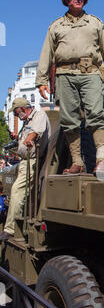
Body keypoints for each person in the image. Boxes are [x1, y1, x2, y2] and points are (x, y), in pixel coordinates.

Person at [36, 0, 104, 175]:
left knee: (96, 114)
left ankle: (102, 160)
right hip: (64, 75)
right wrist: (41, 80)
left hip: (91, 73)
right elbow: (46, 54)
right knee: (68, 120)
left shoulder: (95, 23)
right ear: (66, 0)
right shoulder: (55, 26)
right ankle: (77, 161)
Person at [0, 98, 51, 240]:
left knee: (17, 191)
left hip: (32, 161)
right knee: (18, 193)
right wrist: (18, 138)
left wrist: (29, 138)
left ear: (22, 109)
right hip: (25, 161)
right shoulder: (27, 122)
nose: (16, 116)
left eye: (16, 113)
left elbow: (37, 131)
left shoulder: (39, 115)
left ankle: (9, 229)